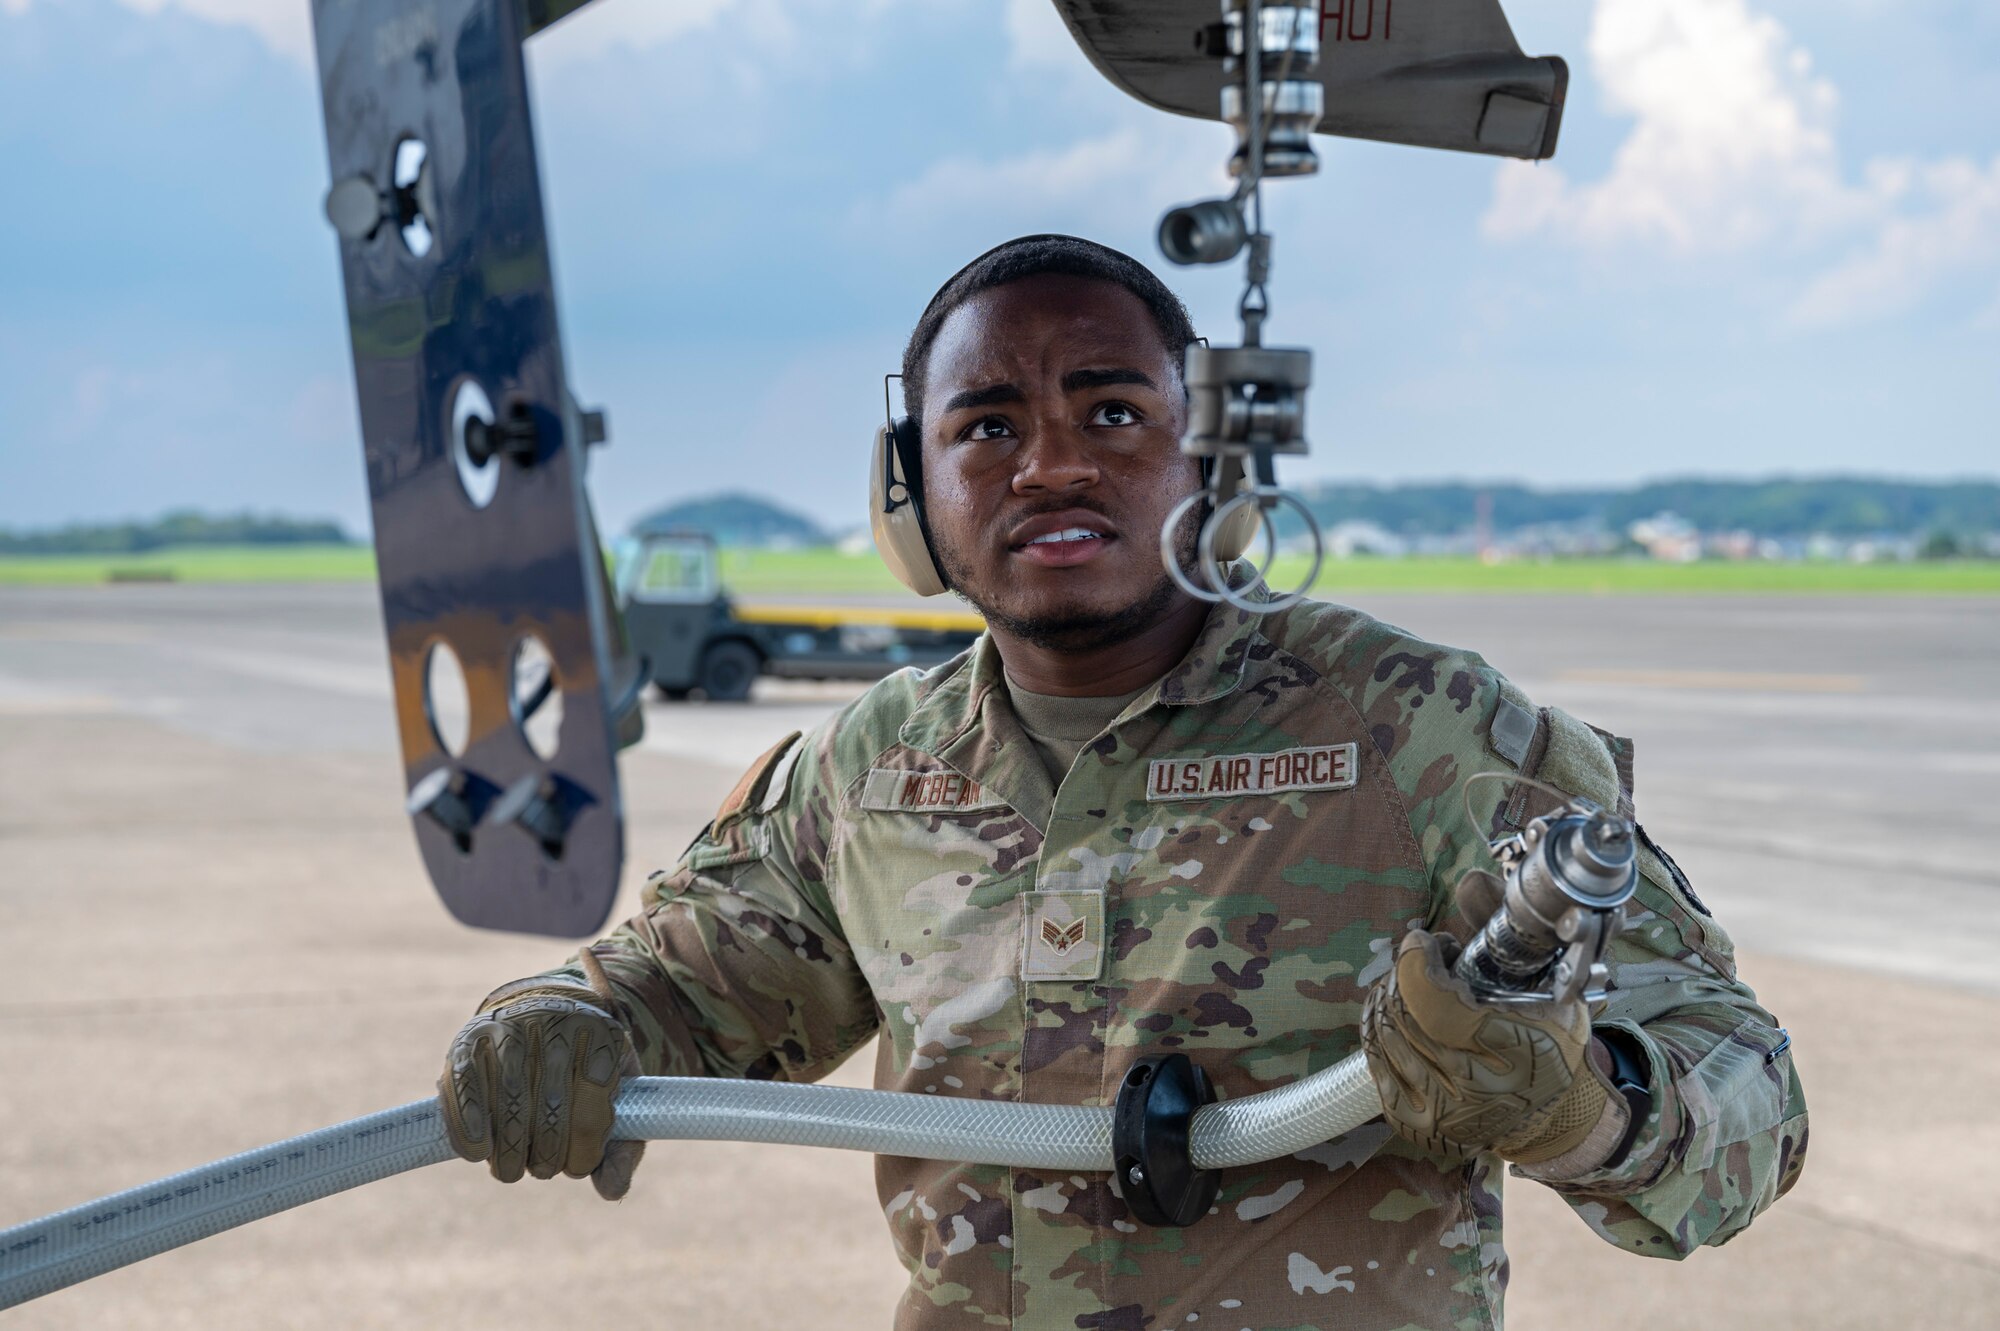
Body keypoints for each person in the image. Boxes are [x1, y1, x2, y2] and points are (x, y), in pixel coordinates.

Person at [437, 236, 1808, 1329]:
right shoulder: (869, 773)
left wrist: (1582, 1109)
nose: (1055, 462)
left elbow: (1751, 1098)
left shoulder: (1424, 733)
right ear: (909, 489)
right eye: (986, 426)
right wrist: (554, 1022)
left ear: (1208, 458)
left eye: (1113, 409)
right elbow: (671, 990)